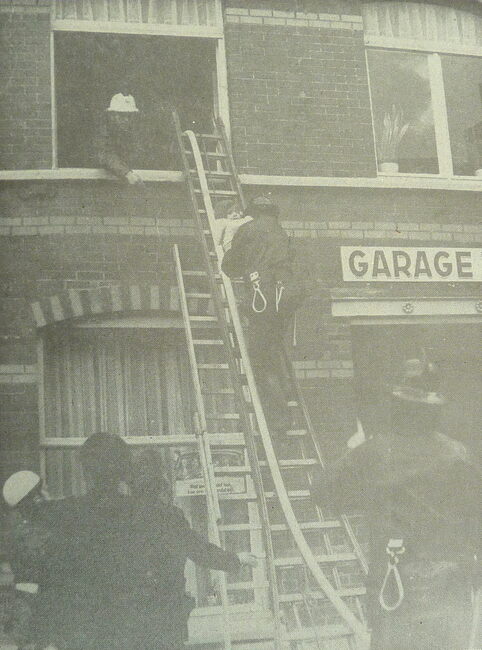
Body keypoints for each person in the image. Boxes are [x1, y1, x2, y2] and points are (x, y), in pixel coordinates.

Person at [3, 433, 257, 650]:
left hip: (90, 636)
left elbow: (31, 512)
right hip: (148, 635)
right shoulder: (161, 514)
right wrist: (235, 560)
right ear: (125, 470)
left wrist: (35, 496)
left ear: (86, 472)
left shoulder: (66, 514)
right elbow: (198, 550)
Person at [310, 360, 480, 650]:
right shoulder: (457, 454)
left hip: (396, 591)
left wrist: (352, 448)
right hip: (450, 592)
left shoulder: (375, 452)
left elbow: (322, 493)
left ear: (396, 407)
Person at [221, 195, 305, 436]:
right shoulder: (281, 232)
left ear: (253, 212)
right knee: (272, 347)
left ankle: (278, 421)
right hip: (284, 300)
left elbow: (230, 267)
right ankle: (285, 391)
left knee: (260, 360)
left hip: (263, 300)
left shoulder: (247, 230)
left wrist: (229, 245)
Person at [96, 93, 144, 185]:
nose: (126, 119)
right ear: (112, 116)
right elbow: (105, 155)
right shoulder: (103, 131)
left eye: (129, 116)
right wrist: (127, 173)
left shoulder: (133, 133)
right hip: (103, 185)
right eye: (122, 115)